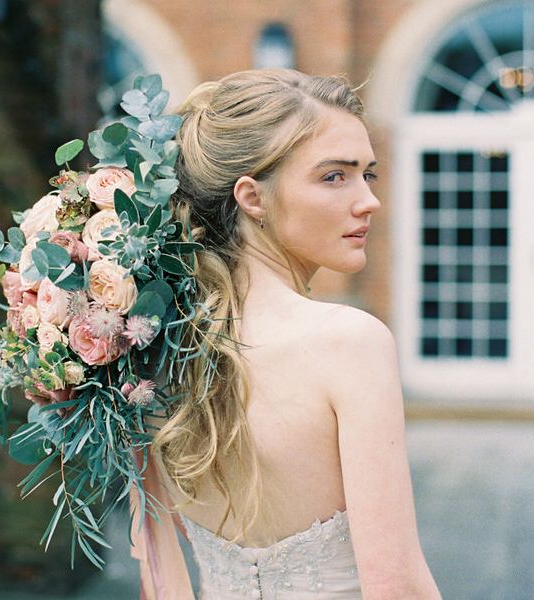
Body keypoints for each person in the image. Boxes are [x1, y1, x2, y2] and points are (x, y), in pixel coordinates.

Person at [130, 69, 442, 600]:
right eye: (333, 177)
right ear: (252, 197)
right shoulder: (349, 342)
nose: (368, 201)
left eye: (369, 174)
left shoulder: (149, 349)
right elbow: (396, 585)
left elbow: (159, 578)